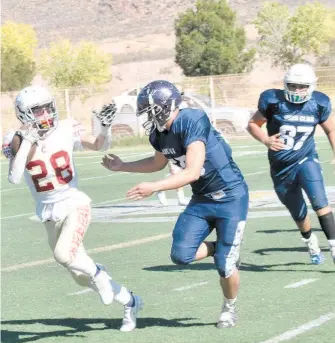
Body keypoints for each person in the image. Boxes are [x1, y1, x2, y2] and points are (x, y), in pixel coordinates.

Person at [101, 80, 249, 328]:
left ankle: (229, 307)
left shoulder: (190, 119)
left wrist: (154, 187)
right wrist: (123, 166)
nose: (148, 117)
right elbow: (158, 163)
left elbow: (191, 172)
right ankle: (220, 248)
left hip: (230, 196)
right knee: (180, 255)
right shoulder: (158, 134)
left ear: (165, 106)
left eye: (150, 110)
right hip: (202, 198)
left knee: (225, 265)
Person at [2, 85, 143, 332]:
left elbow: (98, 143)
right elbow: (13, 176)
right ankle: (131, 301)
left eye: (48, 107)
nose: (46, 114)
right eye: (38, 110)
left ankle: (100, 276)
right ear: (25, 114)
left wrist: (104, 126)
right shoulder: (13, 138)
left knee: (64, 254)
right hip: (47, 211)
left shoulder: (65, 128)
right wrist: (28, 141)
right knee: (79, 278)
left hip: (74, 202)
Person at [247, 64, 335, 265]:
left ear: (311, 86)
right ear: (285, 84)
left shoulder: (318, 103)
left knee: (320, 202)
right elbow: (252, 124)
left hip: (306, 159)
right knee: (298, 212)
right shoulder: (273, 101)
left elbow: (331, 129)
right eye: (293, 86)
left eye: (302, 86)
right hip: (281, 167)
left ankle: (333, 246)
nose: (296, 90)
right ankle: (309, 240)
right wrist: (266, 140)